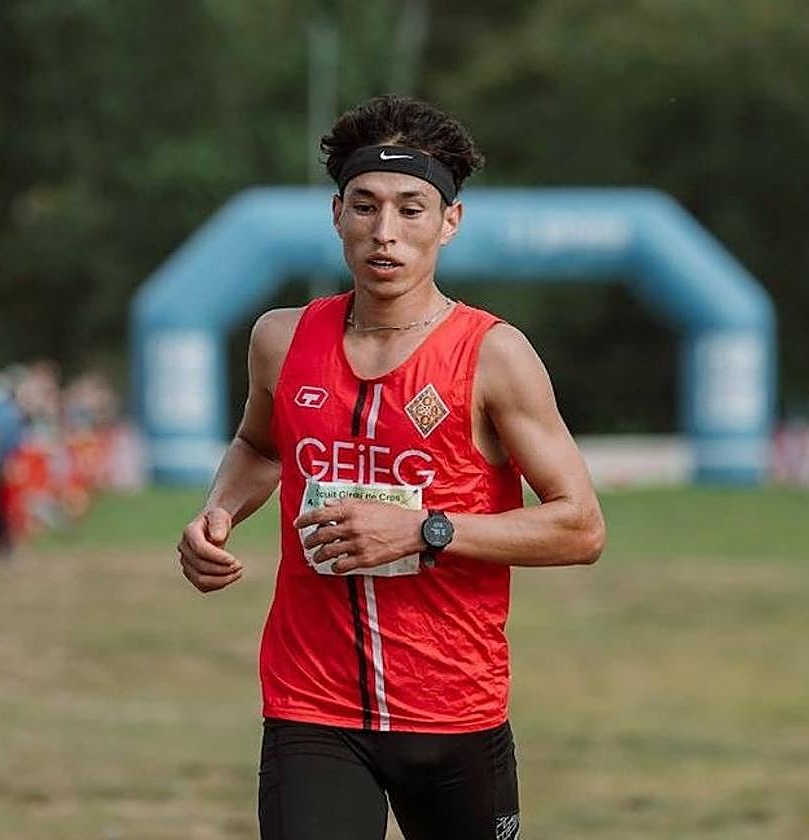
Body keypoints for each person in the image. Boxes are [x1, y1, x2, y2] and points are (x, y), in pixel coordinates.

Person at [176, 95, 605, 840]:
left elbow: (581, 528)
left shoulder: (494, 356)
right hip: (311, 702)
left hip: (453, 707)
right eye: (366, 206)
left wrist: (423, 530)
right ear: (336, 213)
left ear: (450, 221)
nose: (386, 233)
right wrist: (219, 511)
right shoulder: (281, 340)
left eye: (411, 209)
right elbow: (260, 446)